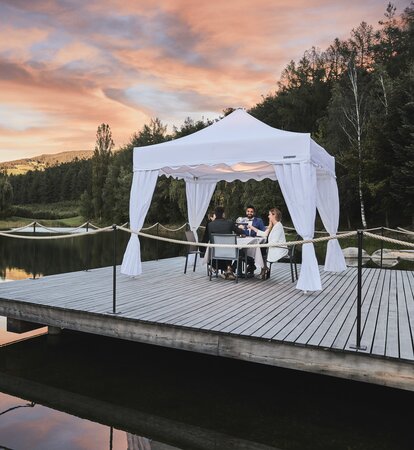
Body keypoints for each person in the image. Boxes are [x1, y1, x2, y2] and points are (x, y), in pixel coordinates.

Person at [204, 206, 244, 280]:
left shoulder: (210, 225)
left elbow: (210, 239)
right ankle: (230, 268)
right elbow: (240, 232)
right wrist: (241, 228)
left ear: (215, 214)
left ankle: (222, 269)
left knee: (224, 250)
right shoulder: (229, 223)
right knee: (242, 252)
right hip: (230, 252)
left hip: (216, 252)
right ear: (223, 214)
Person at [247, 207, 288, 279]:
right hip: (273, 246)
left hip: (279, 248)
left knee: (261, 249)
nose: (268, 216)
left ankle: (264, 268)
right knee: (261, 249)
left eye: (269, 215)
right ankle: (264, 268)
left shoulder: (278, 226)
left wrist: (264, 245)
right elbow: (264, 234)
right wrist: (252, 227)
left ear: (274, 215)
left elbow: (274, 242)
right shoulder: (274, 225)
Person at [237, 205, 266, 275]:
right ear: (246, 212)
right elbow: (238, 232)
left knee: (242, 252)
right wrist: (239, 228)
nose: (249, 213)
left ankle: (251, 265)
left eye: (251, 212)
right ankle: (247, 268)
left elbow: (263, 232)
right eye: (248, 211)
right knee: (239, 251)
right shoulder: (242, 220)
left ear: (254, 213)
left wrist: (255, 231)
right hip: (243, 242)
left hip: (254, 243)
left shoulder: (259, 221)